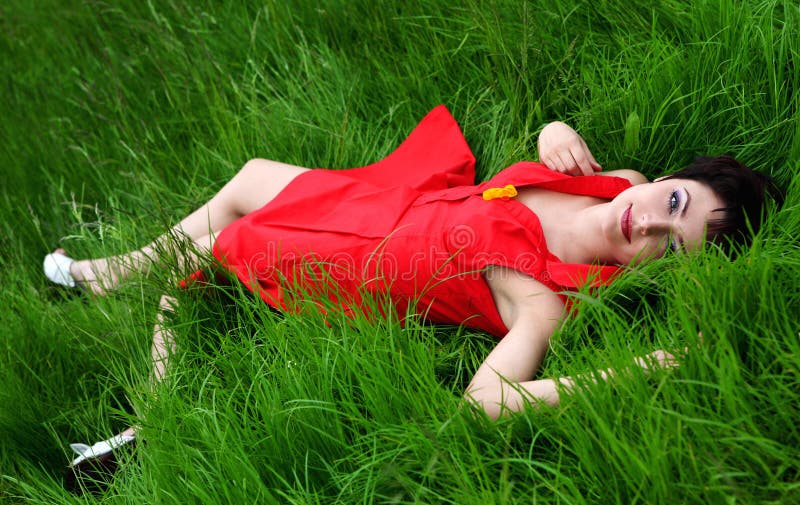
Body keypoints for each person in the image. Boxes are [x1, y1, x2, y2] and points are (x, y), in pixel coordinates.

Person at [43, 106, 775, 483]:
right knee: (252, 173)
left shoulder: (543, 296)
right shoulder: (618, 182)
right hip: (401, 201)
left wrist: (647, 365)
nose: (645, 220)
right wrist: (554, 129)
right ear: (668, 179)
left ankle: (151, 422)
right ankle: (109, 273)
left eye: (667, 244)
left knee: (194, 273)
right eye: (673, 202)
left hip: (365, 254)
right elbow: (602, 174)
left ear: (657, 271)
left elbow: (486, 405)